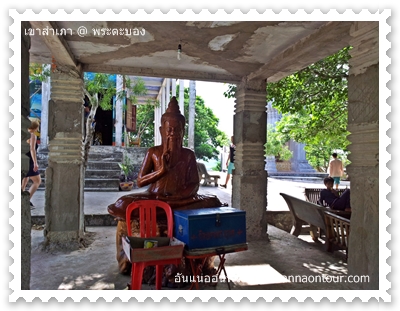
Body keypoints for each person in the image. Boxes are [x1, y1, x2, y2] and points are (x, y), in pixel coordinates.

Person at [108, 96, 222, 275]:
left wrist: (180, 197)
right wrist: (160, 171)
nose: (172, 134)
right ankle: (130, 263)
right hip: (155, 196)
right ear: (162, 130)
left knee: (213, 201)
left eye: (177, 130)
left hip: (181, 200)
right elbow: (140, 181)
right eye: (169, 129)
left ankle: (194, 263)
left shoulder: (188, 155)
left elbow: (193, 184)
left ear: (183, 132)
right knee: (124, 203)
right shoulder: (153, 152)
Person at [21, 120, 41, 209]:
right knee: (37, 181)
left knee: (24, 181)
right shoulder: (32, 135)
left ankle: (21, 199)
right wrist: (35, 162)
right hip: (29, 160)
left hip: (23, 159)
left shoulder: (23, 134)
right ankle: (26, 201)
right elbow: (32, 150)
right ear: (35, 127)